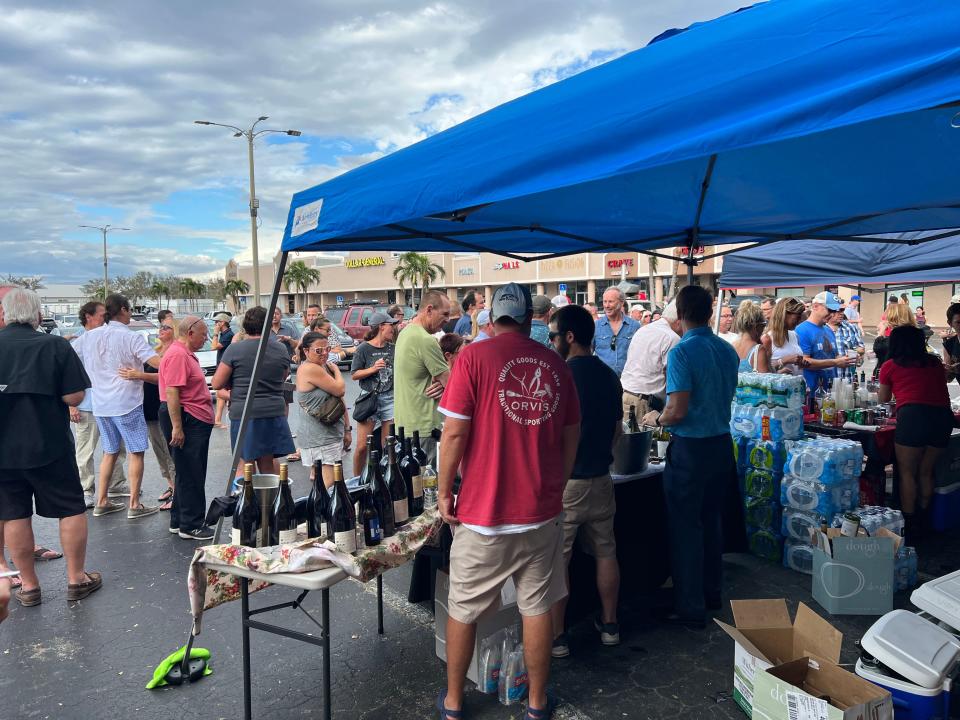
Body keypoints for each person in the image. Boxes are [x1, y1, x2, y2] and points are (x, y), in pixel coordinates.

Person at [436, 282, 580, 719]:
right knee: (536, 607)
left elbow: (455, 431)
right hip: (540, 511)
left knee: (464, 609)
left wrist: (444, 490)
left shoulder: (473, 357)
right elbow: (572, 434)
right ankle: (536, 704)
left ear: (492, 315)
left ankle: (455, 702)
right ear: (528, 318)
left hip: (484, 515)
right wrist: (558, 481)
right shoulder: (555, 363)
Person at [642, 285, 739, 629]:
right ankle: (712, 592)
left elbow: (677, 409)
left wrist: (656, 418)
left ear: (680, 314)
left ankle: (689, 606)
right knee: (712, 521)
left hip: (692, 450)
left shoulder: (682, 352)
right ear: (710, 312)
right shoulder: (726, 350)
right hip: (721, 444)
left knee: (686, 528)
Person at [0, 288, 102, 607]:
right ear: (38, 315)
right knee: (70, 508)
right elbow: (74, 397)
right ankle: (76, 579)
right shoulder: (54, 345)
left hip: (3, 450)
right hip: (49, 445)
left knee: (14, 514)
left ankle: (29, 586)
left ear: (4, 314)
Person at [548, 304, 622, 658]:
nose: (551, 341)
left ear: (570, 337)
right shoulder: (610, 376)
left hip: (568, 485)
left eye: (553, 335)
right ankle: (610, 625)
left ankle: (557, 636)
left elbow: (550, 435)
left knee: (557, 561)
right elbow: (617, 430)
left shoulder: (560, 376)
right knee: (606, 551)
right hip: (601, 478)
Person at [84, 294, 160, 519]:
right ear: (125, 310)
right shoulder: (131, 337)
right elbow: (157, 363)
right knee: (136, 452)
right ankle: (135, 504)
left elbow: (71, 355)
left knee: (109, 452)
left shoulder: (90, 336)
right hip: (127, 402)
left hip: (101, 403)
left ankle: (102, 500)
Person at [878, 325, 951, 540]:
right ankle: (925, 518)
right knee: (926, 471)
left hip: (913, 417)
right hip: (941, 417)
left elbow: (883, 399)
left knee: (907, 473)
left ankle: (909, 524)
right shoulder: (934, 363)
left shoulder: (890, 366)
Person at [213, 307, 296, 474]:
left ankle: (245, 499)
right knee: (267, 462)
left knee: (244, 463)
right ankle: (271, 499)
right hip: (273, 410)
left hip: (245, 412)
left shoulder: (235, 349)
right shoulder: (280, 349)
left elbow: (216, 383)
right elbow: (283, 375)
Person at [158, 316, 215, 540]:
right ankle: (191, 524)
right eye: (203, 335)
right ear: (190, 333)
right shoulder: (178, 354)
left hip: (191, 416)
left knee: (186, 470)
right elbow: (172, 391)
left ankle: (179, 519)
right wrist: (177, 427)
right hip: (188, 417)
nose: (206, 339)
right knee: (192, 471)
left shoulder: (182, 353)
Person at [69, 301, 128, 508]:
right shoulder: (79, 342)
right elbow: (66, 377)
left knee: (115, 449)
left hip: (111, 404)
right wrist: (71, 406)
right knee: (86, 450)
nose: (106, 318)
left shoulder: (109, 338)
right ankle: (86, 490)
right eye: (103, 315)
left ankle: (116, 484)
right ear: (88, 316)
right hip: (87, 407)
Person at [119, 317, 178, 511]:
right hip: (149, 408)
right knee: (160, 451)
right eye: (160, 326)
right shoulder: (155, 351)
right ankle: (171, 485)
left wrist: (139, 375)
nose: (161, 330)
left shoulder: (174, 351)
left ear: (175, 331)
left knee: (170, 452)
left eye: (166, 327)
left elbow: (166, 377)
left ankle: (178, 491)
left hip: (164, 406)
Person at [394, 290, 451, 466]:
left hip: (406, 425)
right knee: (429, 486)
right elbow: (453, 386)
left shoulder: (406, 333)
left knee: (413, 486)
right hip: (425, 427)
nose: (448, 320)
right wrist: (444, 385)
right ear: (429, 310)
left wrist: (441, 385)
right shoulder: (425, 340)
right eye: (445, 314)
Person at [295, 331, 351, 486]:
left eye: (327, 349)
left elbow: (339, 399)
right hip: (319, 437)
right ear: (306, 351)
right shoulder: (310, 368)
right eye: (318, 351)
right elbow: (340, 390)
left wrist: (347, 429)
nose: (324, 354)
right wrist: (338, 371)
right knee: (330, 486)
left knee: (334, 484)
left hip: (329, 434)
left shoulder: (323, 366)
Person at [350, 312, 398, 476]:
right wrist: (373, 369)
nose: (393, 328)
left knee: (388, 445)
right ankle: (356, 481)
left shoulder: (393, 348)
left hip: (390, 398)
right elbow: (354, 374)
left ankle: (385, 479)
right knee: (362, 446)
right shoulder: (363, 348)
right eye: (391, 325)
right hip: (369, 398)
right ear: (381, 327)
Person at [619, 301, 682, 419]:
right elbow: (673, 378)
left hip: (627, 396)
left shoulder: (644, 330)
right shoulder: (672, 338)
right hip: (644, 403)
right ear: (679, 322)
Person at [795, 291, 853, 391]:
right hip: (812, 391)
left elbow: (833, 355)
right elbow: (804, 361)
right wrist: (836, 362)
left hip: (830, 390)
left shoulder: (828, 330)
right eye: (829, 310)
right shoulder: (802, 330)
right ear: (815, 306)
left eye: (834, 311)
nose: (832, 314)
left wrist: (846, 359)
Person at [594, 287, 640, 376]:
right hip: (602, 378)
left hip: (627, 380)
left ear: (621, 302)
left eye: (610, 301)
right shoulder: (596, 326)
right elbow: (588, 353)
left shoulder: (634, 326)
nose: (607, 305)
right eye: (605, 301)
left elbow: (640, 355)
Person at [762, 297, 807, 375]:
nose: (799, 320)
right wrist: (783, 361)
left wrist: (801, 363)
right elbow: (762, 371)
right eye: (797, 316)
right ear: (784, 315)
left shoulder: (794, 335)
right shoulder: (767, 338)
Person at [873, 303, 916, 376]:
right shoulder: (914, 333)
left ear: (893, 317)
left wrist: (881, 330)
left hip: (892, 376)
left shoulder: (898, 335)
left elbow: (879, 348)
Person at [731, 301, 771, 372]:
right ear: (756, 326)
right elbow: (765, 381)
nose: (764, 329)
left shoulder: (731, 346)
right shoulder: (758, 350)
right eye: (763, 325)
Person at [211, 312, 234, 428]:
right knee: (220, 393)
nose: (215, 324)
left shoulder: (228, 335)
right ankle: (218, 419)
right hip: (221, 365)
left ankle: (221, 418)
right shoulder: (224, 334)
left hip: (226, 367)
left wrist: (215, 334)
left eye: (217, 322)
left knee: (223, 392)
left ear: (223, 323)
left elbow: (213, 346)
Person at [828, 306, 864, 381]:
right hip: (827, 379)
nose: (841, 313)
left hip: (847, 379)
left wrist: (858, 357)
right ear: (829, 311)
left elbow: (861, 349)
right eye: (838, 311)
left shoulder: (850, 327)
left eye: (842, 310)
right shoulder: (821, 328)